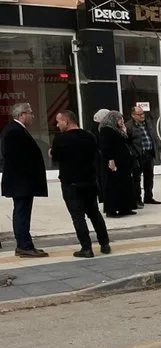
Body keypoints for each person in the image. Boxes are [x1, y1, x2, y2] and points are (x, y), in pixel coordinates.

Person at [50, 110, 110, 257]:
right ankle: (104, 243)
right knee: (94, 213)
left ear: (66, 121)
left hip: (71, 183)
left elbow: (56, 156)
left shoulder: (61, 139)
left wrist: (52, 152)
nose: (57, 125)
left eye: (59, 122)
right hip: (89, 181)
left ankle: (86, 247)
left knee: (78, 216)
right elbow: (94, 154)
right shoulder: (89, 136)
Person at [1, 103, 48, 257]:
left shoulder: (17, 130)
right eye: (30, 113)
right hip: (21, 182)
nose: (32, 115)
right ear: (22, 115)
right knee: (21, 213)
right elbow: (16, 159)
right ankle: (24, 246)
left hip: (23, 182)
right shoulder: (14, 131)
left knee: (23, 212)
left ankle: (25, 244)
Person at [97, 111, 138, 217]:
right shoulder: (106, 130)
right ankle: (111, 209)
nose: (122, 121)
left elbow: (126, 142)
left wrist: (124, 131)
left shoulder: (117, 129)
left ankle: (125, 207)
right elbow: (106, 146)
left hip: (123, 162)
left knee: (124, 184)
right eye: (119, 119)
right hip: (113, 162)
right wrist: (111, 159)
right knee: (113, 185)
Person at [127, 106, 161, 207]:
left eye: (143, 113)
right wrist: (133, 153)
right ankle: (137, 199)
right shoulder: (129, 126)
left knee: (149, 176)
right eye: (139, 114)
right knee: (137, 178)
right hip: (138, 155)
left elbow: (152, 136)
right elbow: (128, 142)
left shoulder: (147, 123)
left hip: (149, 153)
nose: (142, 116)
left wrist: (156, 147)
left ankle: (148, 196)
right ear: (133, 115)